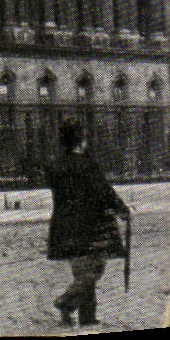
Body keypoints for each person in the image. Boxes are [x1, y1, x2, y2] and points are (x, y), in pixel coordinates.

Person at [46, 121, 131, 327]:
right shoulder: (88, 164)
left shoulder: (55, 166)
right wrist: (122, 209)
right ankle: (66, 302)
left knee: (81, 270)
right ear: (80, 141)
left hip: (64, 226)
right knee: (95, 268)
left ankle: (86, 316)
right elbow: (103, 191)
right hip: (90, 225)